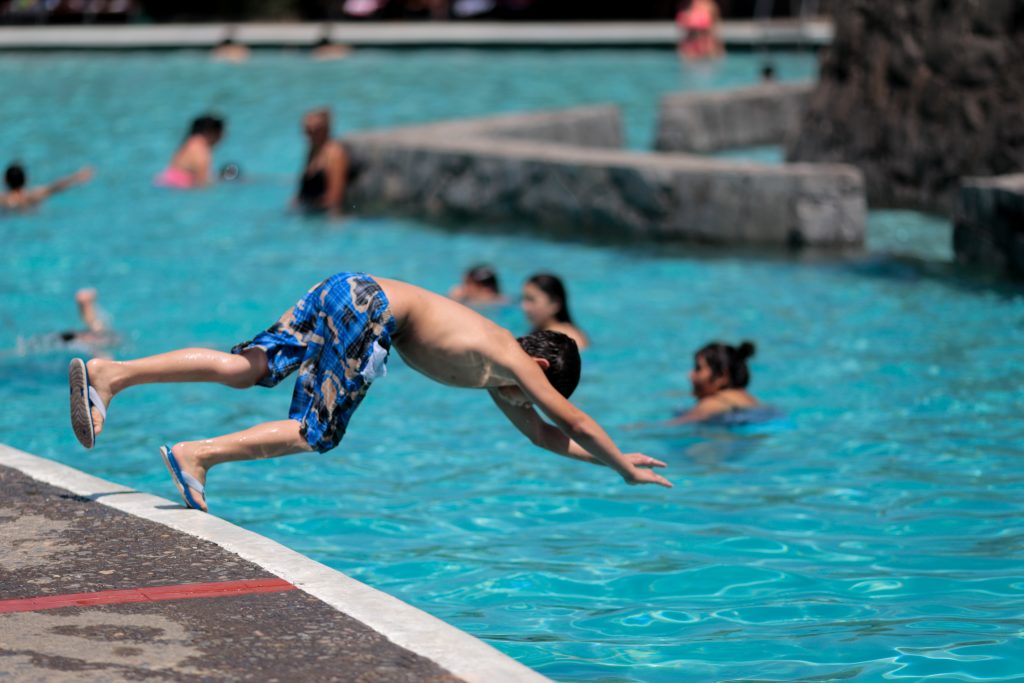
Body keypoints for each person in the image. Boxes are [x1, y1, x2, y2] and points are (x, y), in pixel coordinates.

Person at [68, 272, 670, 512]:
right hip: (371, 310)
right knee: (316, 432)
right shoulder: (514, 359)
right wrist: (623, 470)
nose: (526, 398)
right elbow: (574, 420)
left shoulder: (493, 370)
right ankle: (197, 455)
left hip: (347, 287)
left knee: (245, 367)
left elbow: (546, 435)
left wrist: (611, 460)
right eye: (534, 388)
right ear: (541, 361)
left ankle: (112, 375)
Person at [672, 341, 759, 423]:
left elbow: (669, 431)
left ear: (721, 376)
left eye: (698, 369)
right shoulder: (754, 402)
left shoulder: (710, 405)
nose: (690, 375)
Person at [18, 288, 118, 357]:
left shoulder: (96, 338)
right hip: (77, 339)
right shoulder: (101, 341)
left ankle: (86, 304)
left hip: (70, 338)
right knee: (98, 332)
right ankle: (86, 304)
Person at [294, 108, 348, 215]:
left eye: (314, 130)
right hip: (309, 210)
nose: (310, 134)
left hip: (323, 213)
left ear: (326, 129)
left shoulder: (334, 154)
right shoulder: (313, 151)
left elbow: (335, 197)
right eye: (307, 130)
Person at [154, 114, 225, 189]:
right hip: (178, 188)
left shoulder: (189, 143)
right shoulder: (202, 150)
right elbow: (201, 184)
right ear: (212, 133)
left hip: (163, 182)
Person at [521, 273, 588, 351]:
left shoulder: (570, 339)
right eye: (524, 299)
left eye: (531, 300)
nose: (524, 307)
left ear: (554, 303)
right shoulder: (536, 331)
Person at [1, 163, 93, 211]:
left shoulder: (3, 199)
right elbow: (55, 187)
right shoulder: (31, 196)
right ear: (25, 179)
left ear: (5, 180)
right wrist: (76, 177)